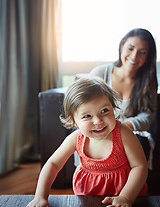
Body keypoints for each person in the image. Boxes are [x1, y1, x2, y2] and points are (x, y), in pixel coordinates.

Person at [27, 77, 148, 207]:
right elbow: (53, 164)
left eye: (104, 111)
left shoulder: (123, 133)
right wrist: (40, 196)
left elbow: (139, 166)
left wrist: (126, 197)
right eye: (87, 116)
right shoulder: (76, 138)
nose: (98, 121)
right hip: (86, 197)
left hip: (125, 196)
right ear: (73, 121)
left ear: (113, 108)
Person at [89, 28, 158, 167]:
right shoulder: (100, 73)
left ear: (148, 57)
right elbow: (85, 107)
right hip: (98, 129)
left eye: (142, 52)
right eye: (130, 48)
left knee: (139, 141)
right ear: (122, 46)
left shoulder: (148, 82)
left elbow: (146, 117)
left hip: (129, 132)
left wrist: (121, 128)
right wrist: (105, 127)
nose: (134, 56)